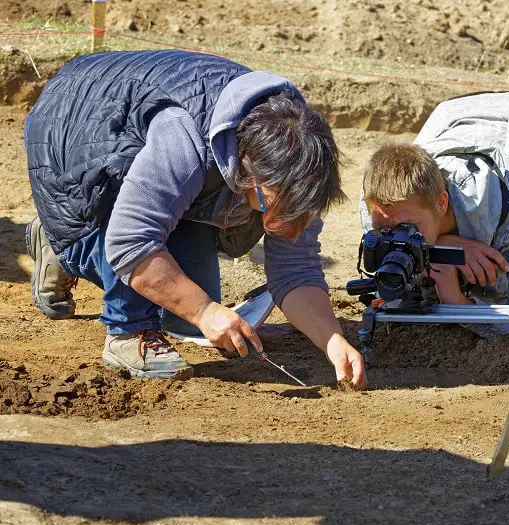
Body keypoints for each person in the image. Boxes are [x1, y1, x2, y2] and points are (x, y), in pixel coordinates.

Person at [24, 49, 366, 388]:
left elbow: (295, 269)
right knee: (164, 285)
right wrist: (203, 311)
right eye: (270, 206)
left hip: (152, 141)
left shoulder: (303, 162)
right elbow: (131, 242)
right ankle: (125, 326)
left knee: (184, 314)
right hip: (72, 133)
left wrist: (331, 340)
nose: (281, 228)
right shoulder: (183, 138)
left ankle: (70, 243)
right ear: (249, 172)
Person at [359, 92, 509, 336]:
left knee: (499, 281)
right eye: (384, 230)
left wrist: (456, 301)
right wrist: (444, 245)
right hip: (459, 116)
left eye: (409, 228)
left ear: (441, 203)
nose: (395, 238)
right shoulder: (381, 209)